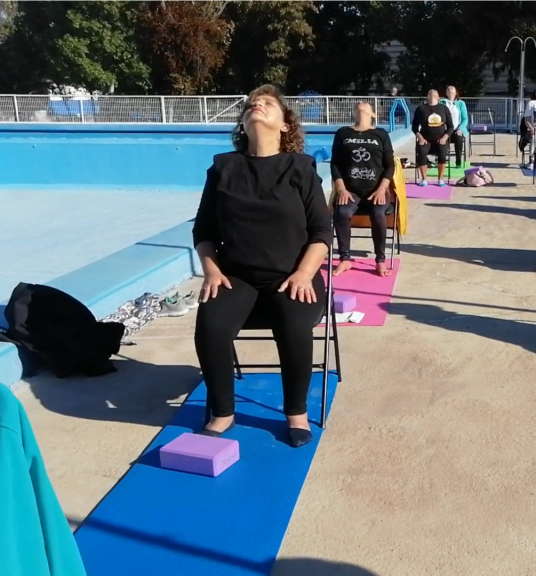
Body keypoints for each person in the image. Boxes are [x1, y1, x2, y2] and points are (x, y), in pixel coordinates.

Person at [191, 84, 333, 447]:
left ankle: (296, 412)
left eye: (268, 103)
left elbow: (321, 230)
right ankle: (222, 412)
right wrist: (211, 269)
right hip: (236, 277)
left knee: (294, 323)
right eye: (253, 102)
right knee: (210, 323)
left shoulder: (299, 167)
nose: (257, 105)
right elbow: (204, 230)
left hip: (292, 276)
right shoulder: (224, 167)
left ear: (285, 125)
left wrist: (304, 272)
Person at [330, 101, 396, 277]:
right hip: (350, 190)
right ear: (353, 112)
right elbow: (335, 164)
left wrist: (382, 189)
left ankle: (380, 261)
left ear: (373, 114)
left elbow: (390, 165)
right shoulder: (343, 133)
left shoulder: (380, 134)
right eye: (358, 104)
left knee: (378, 213)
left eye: (366, 104)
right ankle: (345, 259)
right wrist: (341, 190)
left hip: (376, 190)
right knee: (342, 213)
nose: (362, 103)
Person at [412, 89, 453, 186]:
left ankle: (440, 179)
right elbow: (414, 127)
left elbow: (451, 127)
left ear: (439, 97)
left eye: (435, 92)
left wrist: (444, 138)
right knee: (421, 151)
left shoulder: (444, 109)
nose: (432, 91)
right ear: (427, 96)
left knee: (442, 152)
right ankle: (424, 179)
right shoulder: (421, 108)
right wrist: (420, 138)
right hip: (425, 139)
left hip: (440, 139)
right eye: (429, 92)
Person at [442, 85, 470, 168]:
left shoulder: (461, 103)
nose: (450, 91)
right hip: (445, 130)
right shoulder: (442, 102)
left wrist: (460, 129)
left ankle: (458, 161)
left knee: (459, 138)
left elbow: (465, 119)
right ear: (446, 93)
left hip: (456, 130)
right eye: (448, 90)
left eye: (452, 90)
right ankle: (442, 160)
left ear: (455, 93)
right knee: (441, 138)